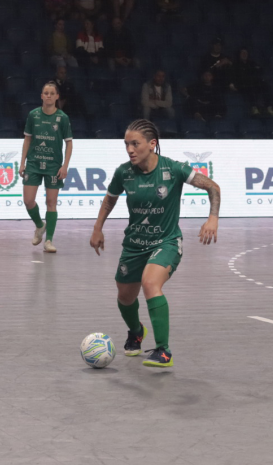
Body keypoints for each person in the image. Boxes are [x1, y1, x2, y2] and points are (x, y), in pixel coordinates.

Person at [90, 119, 221, 367]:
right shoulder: (123, 172)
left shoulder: (174, 169)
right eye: (126, 144)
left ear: (152, 144)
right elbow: (110, 199)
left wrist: (212, 218)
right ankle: (136, 332)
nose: (130, 149)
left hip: (166, 241)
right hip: (134, 244)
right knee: (125, 297)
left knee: (150, 283)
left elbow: (212, 187)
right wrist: (98, 228)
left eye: (135, 144)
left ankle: (163, 350)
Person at [19, 82, 73, 253]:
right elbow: (27, 139)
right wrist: (22, 162)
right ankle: (39, 225)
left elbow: (69, 143)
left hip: (53, 165)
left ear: (57, 96)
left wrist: (65, 166)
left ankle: (49, 240)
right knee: (28, 201)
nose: (49, 95)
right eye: (46, 93)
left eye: (52, 93)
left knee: (51, 203)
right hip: (34, 163)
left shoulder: (62, 118)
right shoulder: (33, 115)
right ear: (41, 96)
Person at [230, 48, 273, 117]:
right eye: (242, 53)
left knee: (265, 85)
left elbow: (260, 70)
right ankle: (254, 107)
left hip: (253, 82)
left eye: (246, 53)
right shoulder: (236, 64)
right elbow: (232, 75)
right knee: (250, 86)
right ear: (239, 54)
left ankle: (269, 107)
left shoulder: (251, 63)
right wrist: (232, 83)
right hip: (242, 84)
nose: (244, 54)